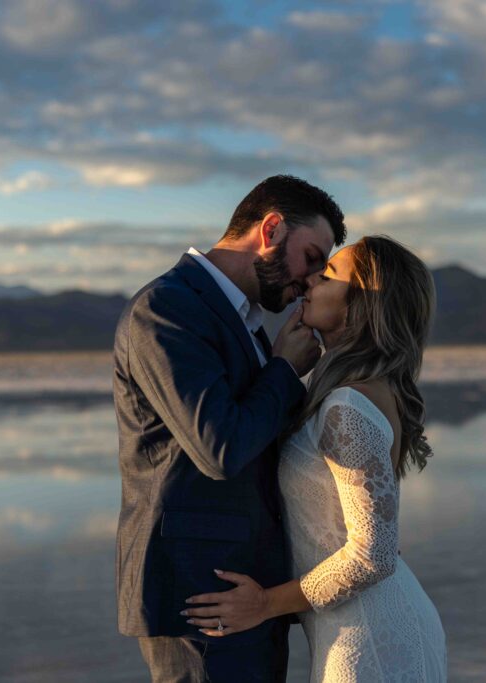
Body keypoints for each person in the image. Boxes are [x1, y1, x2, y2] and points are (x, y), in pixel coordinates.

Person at [181, 236, 448, 681]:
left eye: (327, 277)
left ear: (362, 303)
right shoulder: (353, 392)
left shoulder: (349, 404)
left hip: (370, 637)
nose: (307, 282)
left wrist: (265, 604)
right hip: (358, 624)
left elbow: (374, 555)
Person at [113, 175, 346, 682]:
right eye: (311, 258)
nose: (310, 280)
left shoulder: (243, 319)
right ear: (271, 228)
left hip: (248, 596)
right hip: (202, 600)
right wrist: (283, 370)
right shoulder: (168, 308)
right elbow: (219, 447)